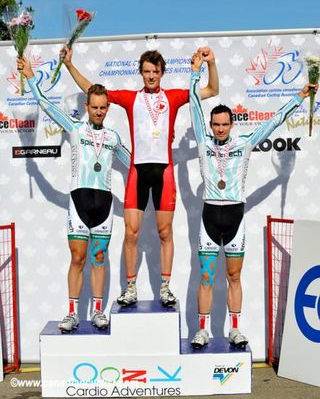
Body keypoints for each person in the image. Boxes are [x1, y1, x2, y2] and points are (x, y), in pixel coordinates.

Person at [61, 46, 219, 307]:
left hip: (164, 171)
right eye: (146, 72)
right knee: (131, 233)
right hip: (138, 171)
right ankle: (131, 288)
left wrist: (211, 64)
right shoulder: (130, 98)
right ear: (141, 73)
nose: (150, 76)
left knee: (165, 232)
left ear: (162, 73)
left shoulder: (175, 97)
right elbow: (92, 89)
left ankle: (165, 288)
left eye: (155, 72)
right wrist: (69, 65)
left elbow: (212, 90)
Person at [189, 51, 318, 349]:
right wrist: (197, 72)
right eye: (216, 124)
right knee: (206, 277)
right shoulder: (203, 141)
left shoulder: (244, 144)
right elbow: (194, 105)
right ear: (210, 125)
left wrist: (299, 96)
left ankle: (235, 328)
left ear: (232, 125)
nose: (220, 128)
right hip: (210, 216)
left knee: (234, 277)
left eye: (224, 124)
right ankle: (202, 330)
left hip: (235, 218)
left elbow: (274, 122)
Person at [17, 56, 131, 332]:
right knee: (78, 257)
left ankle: (97, 312)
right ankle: (71, 313)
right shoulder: (74, 128)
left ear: (108, 108)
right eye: (94, 107)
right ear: (86, 107)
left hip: (104, 201)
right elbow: (45, 103)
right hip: (79, 201)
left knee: (99, 256)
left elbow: (135, 163)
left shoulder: (114, 137)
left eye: (103, 107)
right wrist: (31, 75)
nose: (99, 111)